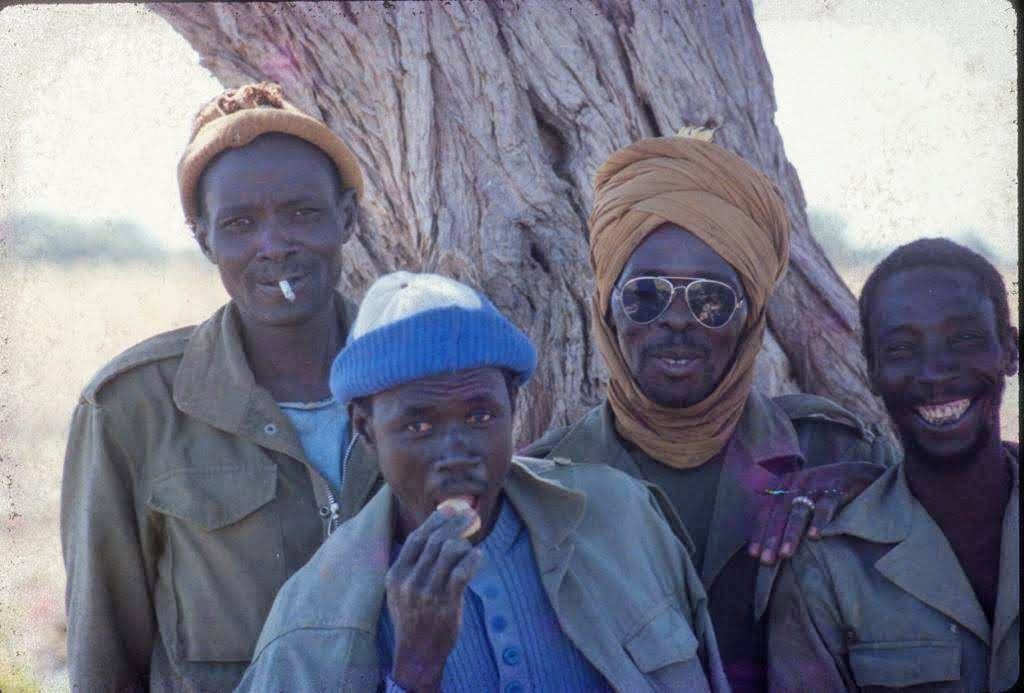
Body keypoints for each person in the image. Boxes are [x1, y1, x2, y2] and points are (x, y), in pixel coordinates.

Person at [521, 130, 896, 691]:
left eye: (711, 299)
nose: (676, 320)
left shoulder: (836, 457)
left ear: (749, 319)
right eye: (646, 295)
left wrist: (870, 493)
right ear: (607, 306)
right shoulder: (541, 490)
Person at [237, 271, 729, 692]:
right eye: (419, 426)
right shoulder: (312, 619)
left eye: (479, 416)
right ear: (366, 429)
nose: (456, 454)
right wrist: (415, 670)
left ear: (513, 405)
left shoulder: (620, 519)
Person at [60, 83, 382, 691]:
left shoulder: (417, 379)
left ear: (346, 217)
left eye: (303, 213)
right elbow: (104, 648)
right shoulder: (132, 407)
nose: (275, 244)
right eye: (239, 224)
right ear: (204, 239)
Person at [767, 238, 1019, 692]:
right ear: (872, 373)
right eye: (902, 349)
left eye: (963, 339)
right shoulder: (826, 564)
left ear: (1010, 351)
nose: (934, 372)